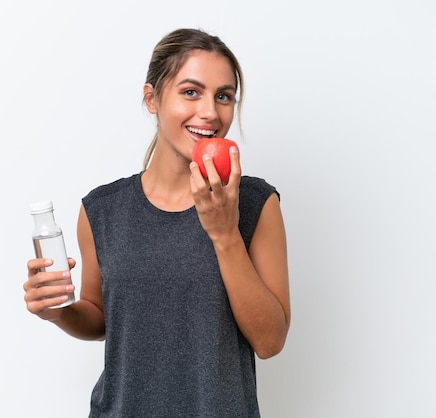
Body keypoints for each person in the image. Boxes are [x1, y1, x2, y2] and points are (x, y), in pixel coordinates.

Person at [24, 28, 291, 417]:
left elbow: (269, 341)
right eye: (190, 92)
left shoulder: (255, 204)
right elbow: (100, 316)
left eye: (223, 96)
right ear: (152, 98)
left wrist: (224, 233)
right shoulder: (102, 210)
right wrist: (58, 311)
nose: (210, 113)